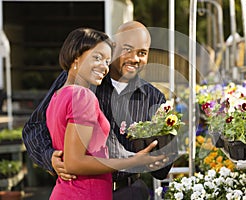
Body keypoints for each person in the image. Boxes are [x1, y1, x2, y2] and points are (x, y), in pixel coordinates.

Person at [22, 21, 174, 200]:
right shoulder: (80, 80)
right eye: (128, 49)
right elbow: (34, 126)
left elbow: (162, 169)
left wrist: (162, 150)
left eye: (142, 53)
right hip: (82, 190)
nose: (134, 58)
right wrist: (50, 158)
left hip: (130, 191)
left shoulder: (154, 98)